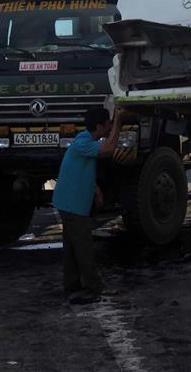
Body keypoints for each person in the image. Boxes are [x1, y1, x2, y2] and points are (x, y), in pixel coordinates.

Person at [53, 106, 122, 305]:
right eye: (107, 124)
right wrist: (118, 121)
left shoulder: (83, 140)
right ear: (100, 127)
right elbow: (109, 150)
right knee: (83, 247)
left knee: (72, 248)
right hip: (73, 205)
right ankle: (96, 286)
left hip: (68, 203)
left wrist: (96, 189)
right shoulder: (83, 142)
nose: (109, 127)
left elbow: (82, 168)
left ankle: (72, 285)